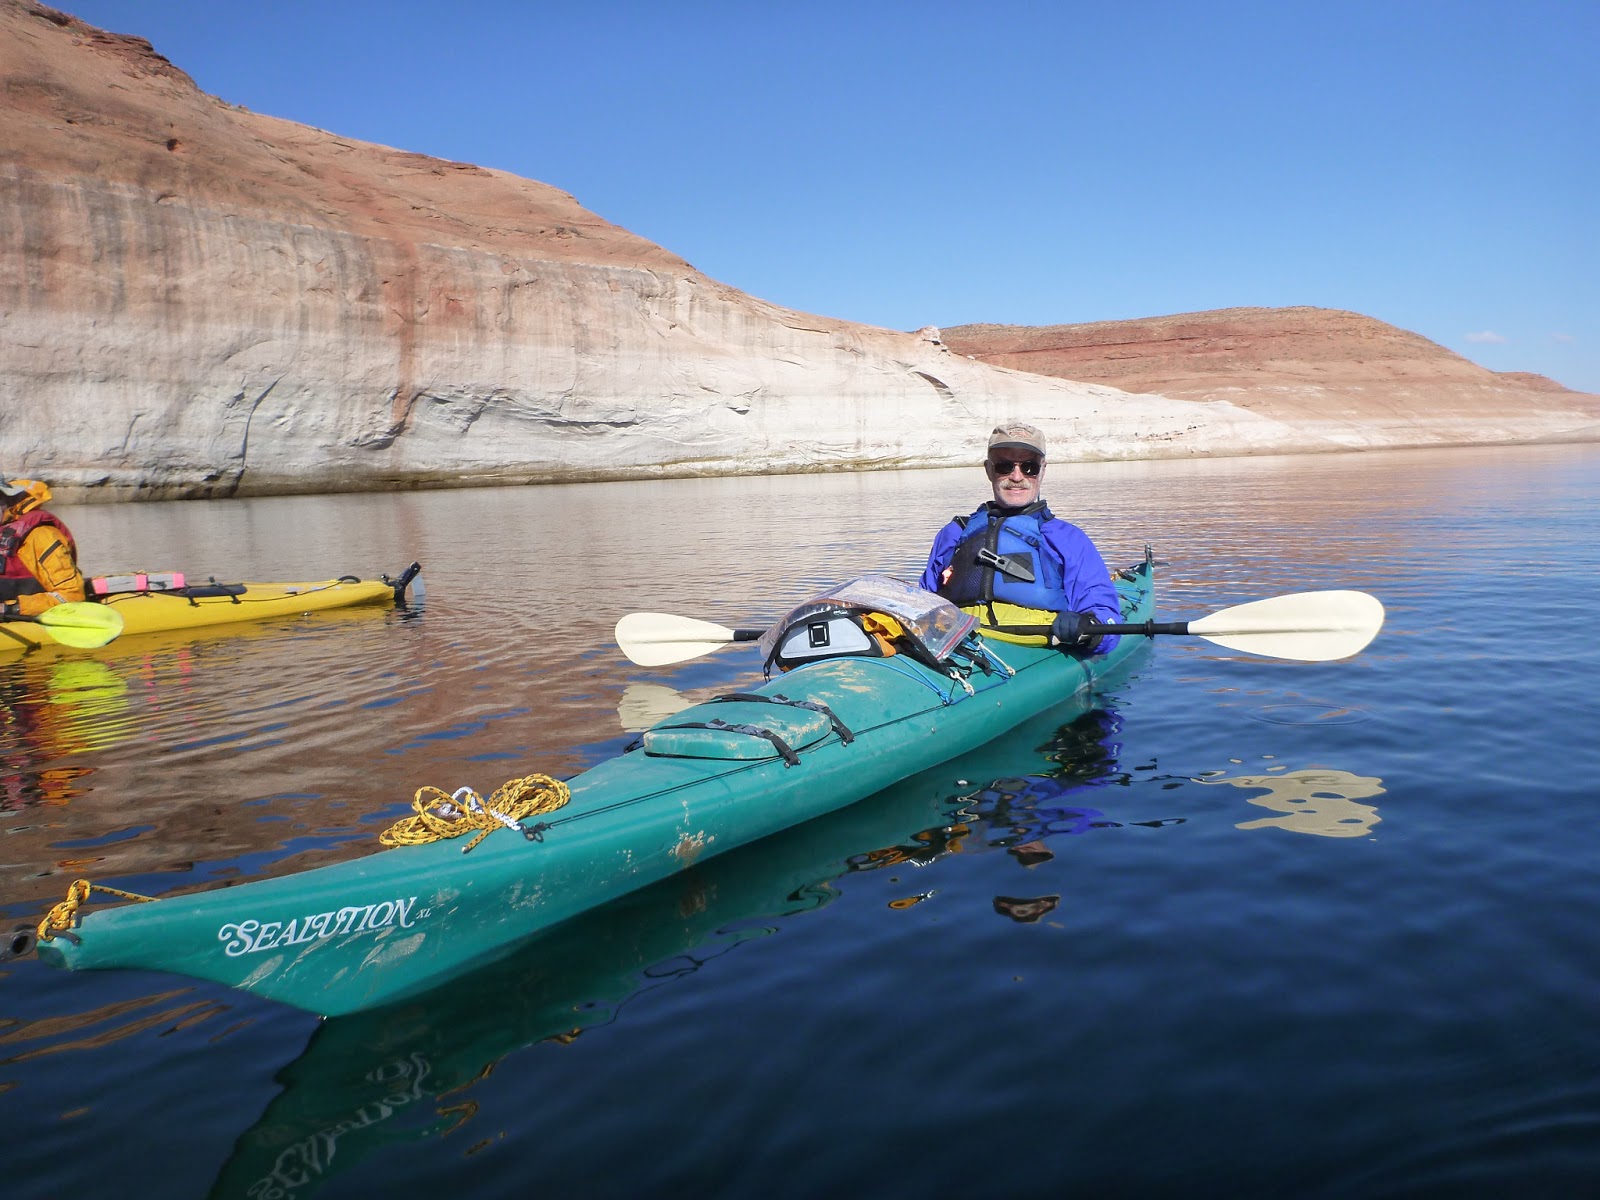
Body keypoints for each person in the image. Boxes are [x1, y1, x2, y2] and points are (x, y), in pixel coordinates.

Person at [919, 422, 1120, 653]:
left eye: (1029, 467)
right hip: (958, 646)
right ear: (988, 470)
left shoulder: (1067, 539)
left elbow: (1106, 620)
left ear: (1042, 470)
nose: (1016, 476)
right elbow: (924, 600)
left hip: (1033, 650)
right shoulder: (954, 533)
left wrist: (1089, 627)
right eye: (1004, 466)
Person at [1, 478, 86, 619]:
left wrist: (11, 608)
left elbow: (72, 595)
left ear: (6, 499)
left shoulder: (41, 536)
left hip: (27, 616)